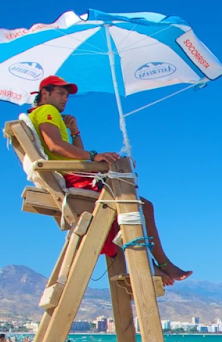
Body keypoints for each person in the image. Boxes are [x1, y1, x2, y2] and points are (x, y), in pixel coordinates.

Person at [26, 75, 191, 283]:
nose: (65, 99)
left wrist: (74, 131)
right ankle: (158, 265)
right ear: (44, 93)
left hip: (73, 177)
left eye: (67, 95)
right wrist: (95, 157)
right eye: (60, 93)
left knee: (138, 205)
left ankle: (155, 265)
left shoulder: (42, 114)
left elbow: (75, 151)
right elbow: (54, 145)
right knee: (142, 206)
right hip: (75, 179)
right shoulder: (46, 111)